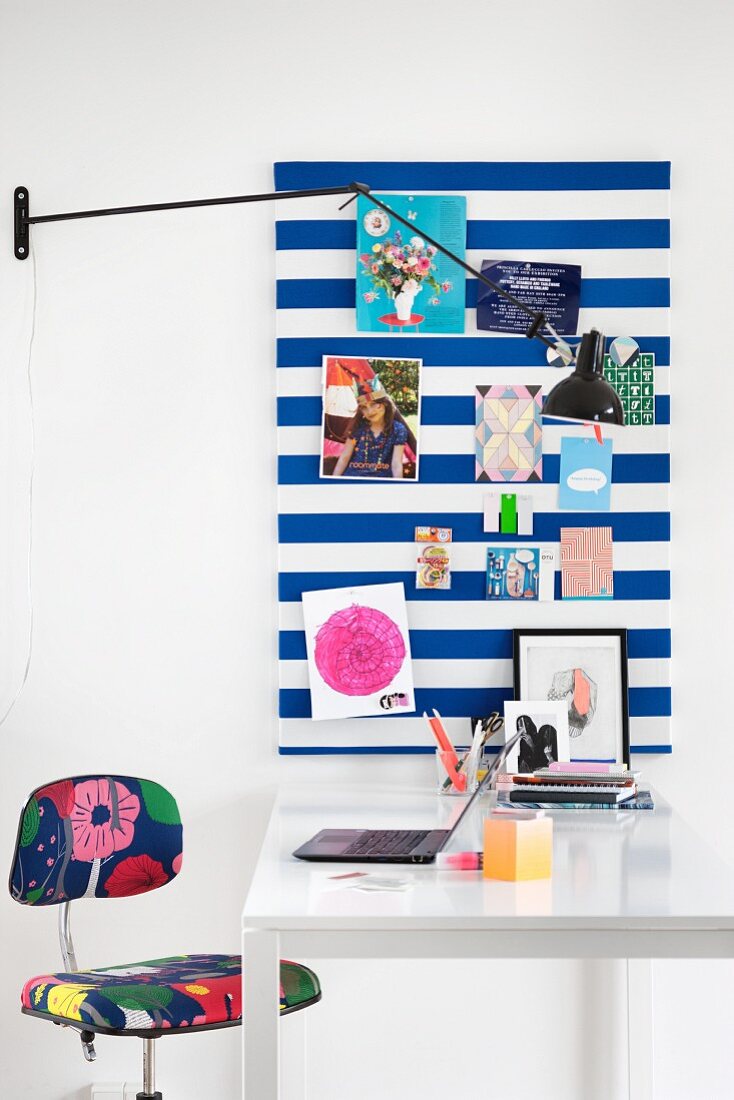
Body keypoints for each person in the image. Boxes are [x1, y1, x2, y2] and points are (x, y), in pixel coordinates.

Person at [332, 384, 408, 479]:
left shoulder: (398, 429)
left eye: (373, 404)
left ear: (385, 404)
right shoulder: (357, 428)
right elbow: (344, 457)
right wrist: (334, 480)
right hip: (354, 477)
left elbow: (396, 463)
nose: (370, 411)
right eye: (364, 407)